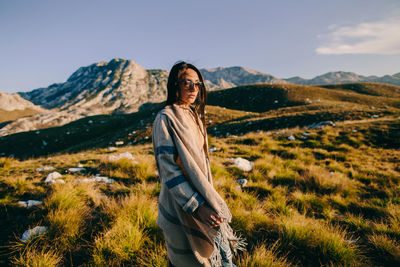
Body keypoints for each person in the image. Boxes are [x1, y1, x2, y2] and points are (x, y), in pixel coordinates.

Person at [152, 61, 244, 267]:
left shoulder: (194, 115)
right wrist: (198, 207)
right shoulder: (165, 118)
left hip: (203, 198)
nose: (194, 88)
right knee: (190, 261)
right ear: (175, 85)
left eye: (198, 84)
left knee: (216, 258)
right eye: (187, 83)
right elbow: (169, 171)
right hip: (181, 205)